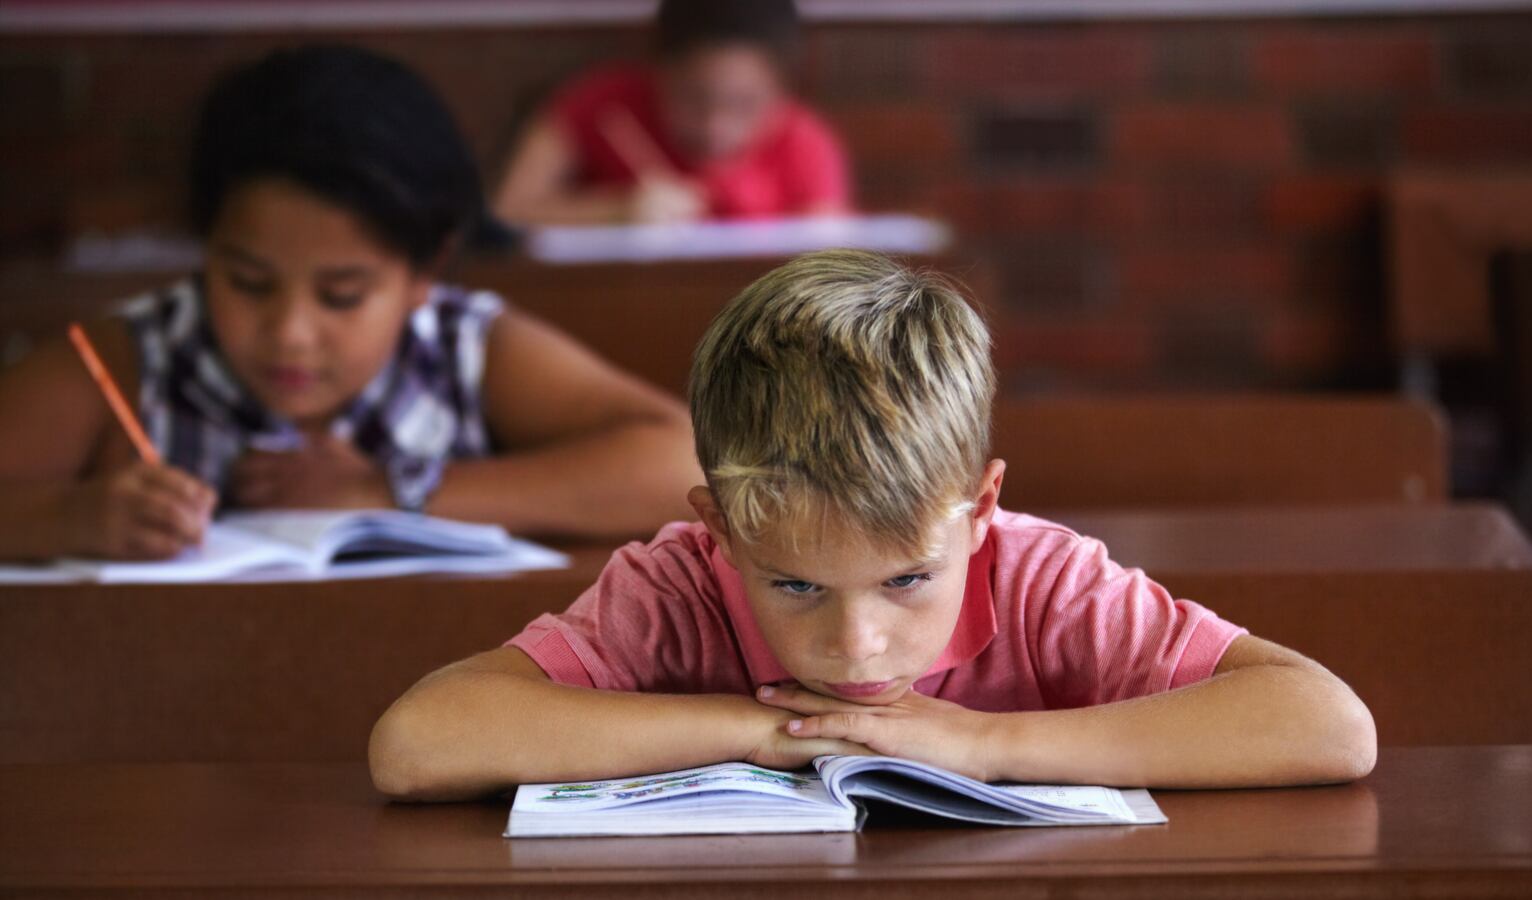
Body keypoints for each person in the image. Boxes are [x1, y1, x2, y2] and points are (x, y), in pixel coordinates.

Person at [369, 250, 1377, 801]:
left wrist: (985, 748)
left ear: (978, 512)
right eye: (796, 586)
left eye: (905, 582)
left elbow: (1326, 725)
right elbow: (417, 745)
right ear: (717, 528)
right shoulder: (677, 585)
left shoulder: (1041, 578)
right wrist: (772, 733)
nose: (854, 647)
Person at [0, 45, 701, 562]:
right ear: (206, 245)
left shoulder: (463, 348)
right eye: (247, 281)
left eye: (342, 295)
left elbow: (682, 466)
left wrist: (388, 491)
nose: (290, 334)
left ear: (424, 272)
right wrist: (66, 516)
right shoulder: (129, 355)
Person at [495, 0, 851, 226]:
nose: (716, 127)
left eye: (745, 104)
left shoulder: (805, 139)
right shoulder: (599, 105)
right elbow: (506, 210)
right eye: (693, 97)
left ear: (782, 89)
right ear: (659, 69)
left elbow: (829, 243)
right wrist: (616, 211)